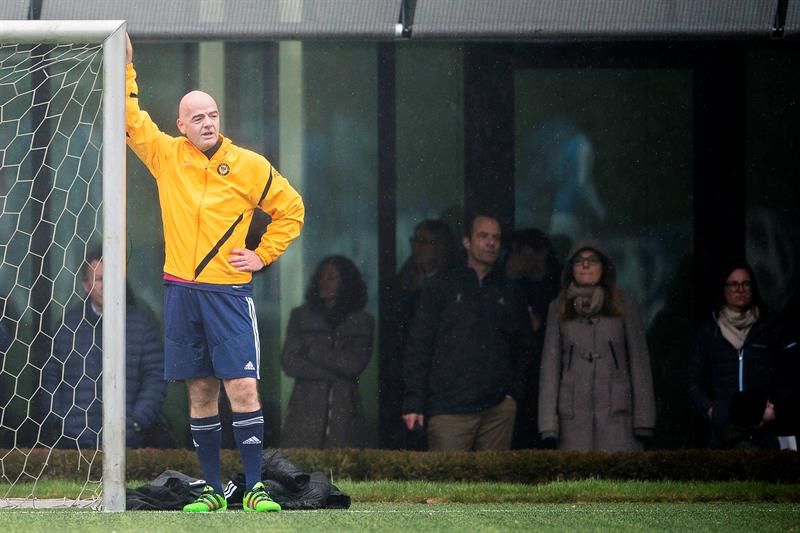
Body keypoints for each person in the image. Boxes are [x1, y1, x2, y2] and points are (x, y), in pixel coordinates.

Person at [125, 34, 304, 513]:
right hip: (181, 291)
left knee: (242, 387)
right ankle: (209, 489)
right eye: (197, 117)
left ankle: (254, 488)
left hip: (228, 293)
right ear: (181, 125)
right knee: (200, 391)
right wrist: (127, 69)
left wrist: (263, 255)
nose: (206, 123)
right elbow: (130, 121)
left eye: (213, 115)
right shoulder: (167, 156)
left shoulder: (248, 165)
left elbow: (291, 210)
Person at [402, 213, 535, 451]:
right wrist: (414, 401)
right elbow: (419, 344)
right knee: (448, 484)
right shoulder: (442, 285)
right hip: (449, 406)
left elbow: (524, 345)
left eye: (496, 237)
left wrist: (513, 395)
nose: (491, 242)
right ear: (466, 242)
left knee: (493, 484)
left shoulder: (509, 290)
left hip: (497, 408)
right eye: (483, 236)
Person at [538, 239, 656, 451]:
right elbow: (550, 367)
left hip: (618, 415)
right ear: (570, 268)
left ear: (604, 267)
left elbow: (639, 361)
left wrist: (644, 420)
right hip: (572, 418)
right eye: (579, 261)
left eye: (592, 260)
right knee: (577, 481)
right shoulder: (558, 307)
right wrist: (548, 424)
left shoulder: (624, 302)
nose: (585, 265)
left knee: (620, 481)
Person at [42, 251, 166, 449]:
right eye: (99, 279)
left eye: (112, 277)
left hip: (128, 443)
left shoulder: (141, 325)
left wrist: (136, 422)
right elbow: (50, 378)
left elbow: (155, 378)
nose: (106, 284)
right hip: (74, 443)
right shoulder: (68, 327)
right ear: (86, 285)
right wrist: (60, 422)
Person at [688, 262, 789, 449]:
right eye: (733, 284)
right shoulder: (709, 332)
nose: (740, 289)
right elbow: (694, 381)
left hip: (764, 428)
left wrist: (773, 410)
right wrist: (712, 410)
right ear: (723, 289)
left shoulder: (770, 328)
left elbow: (787, 376)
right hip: (722, 430)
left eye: (746, 284)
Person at [280, 256, 374, 448]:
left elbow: (354, 364)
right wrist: (336, 369)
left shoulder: (362, 321)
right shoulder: (301, 317)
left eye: (331, 278)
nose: (324, 282)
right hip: (304, 409)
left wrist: (311, 351)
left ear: (346, 283)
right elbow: (290, 363)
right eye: (321, 277)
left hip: (344, 410)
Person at [379, 219, 457, 449]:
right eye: (415, 240)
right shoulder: (403, 281)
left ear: (440, 246)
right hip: (403, 367)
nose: (417, 247)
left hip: (438, 370)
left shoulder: (450, 283)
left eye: (425, 242)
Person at [504, 228, 561, 449]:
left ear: (542, 252)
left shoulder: (561, 283)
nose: (514, 256)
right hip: (525, 379)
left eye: (520, 250)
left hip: (553, 374)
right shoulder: (516, 286)